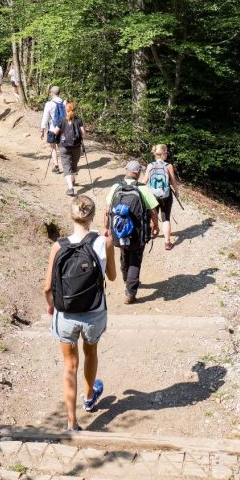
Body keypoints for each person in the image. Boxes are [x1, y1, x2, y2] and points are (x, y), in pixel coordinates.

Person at [44, 194, 116, 431]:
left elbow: (47, 287)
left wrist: (50, 306)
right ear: (92, 216)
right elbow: (113, 277)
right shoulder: (103, 242)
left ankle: (71, 424)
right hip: (94, 311)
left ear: (71, 215)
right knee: (91, 352)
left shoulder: (58, 246)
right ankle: (88, 398)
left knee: (69, 366)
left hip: (65, 314)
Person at [105, 160, 159, 305]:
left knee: (124, 255)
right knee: (135, 259)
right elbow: (153, 210)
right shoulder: (142, 189)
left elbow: (107, 209)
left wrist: (106, 227)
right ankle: (130, 292)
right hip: (137, 232)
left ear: (126, 170)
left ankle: (126, 278)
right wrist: (156, 226)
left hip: (120, 231)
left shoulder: (116, 187)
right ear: (138, 172)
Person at [144, 144, 180, 251]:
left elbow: (145, 180)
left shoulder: (150, 165)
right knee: (166, 218)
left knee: (152, 214)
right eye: (167, 153)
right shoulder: (168, 166)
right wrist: (176, 191)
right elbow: (173, 181)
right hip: (166, 195)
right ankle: (167, 242)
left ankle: (152, 233)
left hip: (152, 195)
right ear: (164, 154)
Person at [56, 102, 85, 196]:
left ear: (66, 110)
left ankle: (70, 188)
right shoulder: (78, 120)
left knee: (66, 166)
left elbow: (56, 131)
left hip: (64, 146)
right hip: (76, 146)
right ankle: (73, 180)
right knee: (74, 164)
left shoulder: (62, 120)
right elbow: (83, 133)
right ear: (74, 110)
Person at [41, 85, 66, 173]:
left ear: (51, 93)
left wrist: (42, 129)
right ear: (59, 93)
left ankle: (56, 166)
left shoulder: (49, 104)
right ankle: (66, 166)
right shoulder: (64, 102)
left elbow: (45, 117)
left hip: (52, 129)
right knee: (62, 148)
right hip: (63, 129)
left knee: (53, 148)